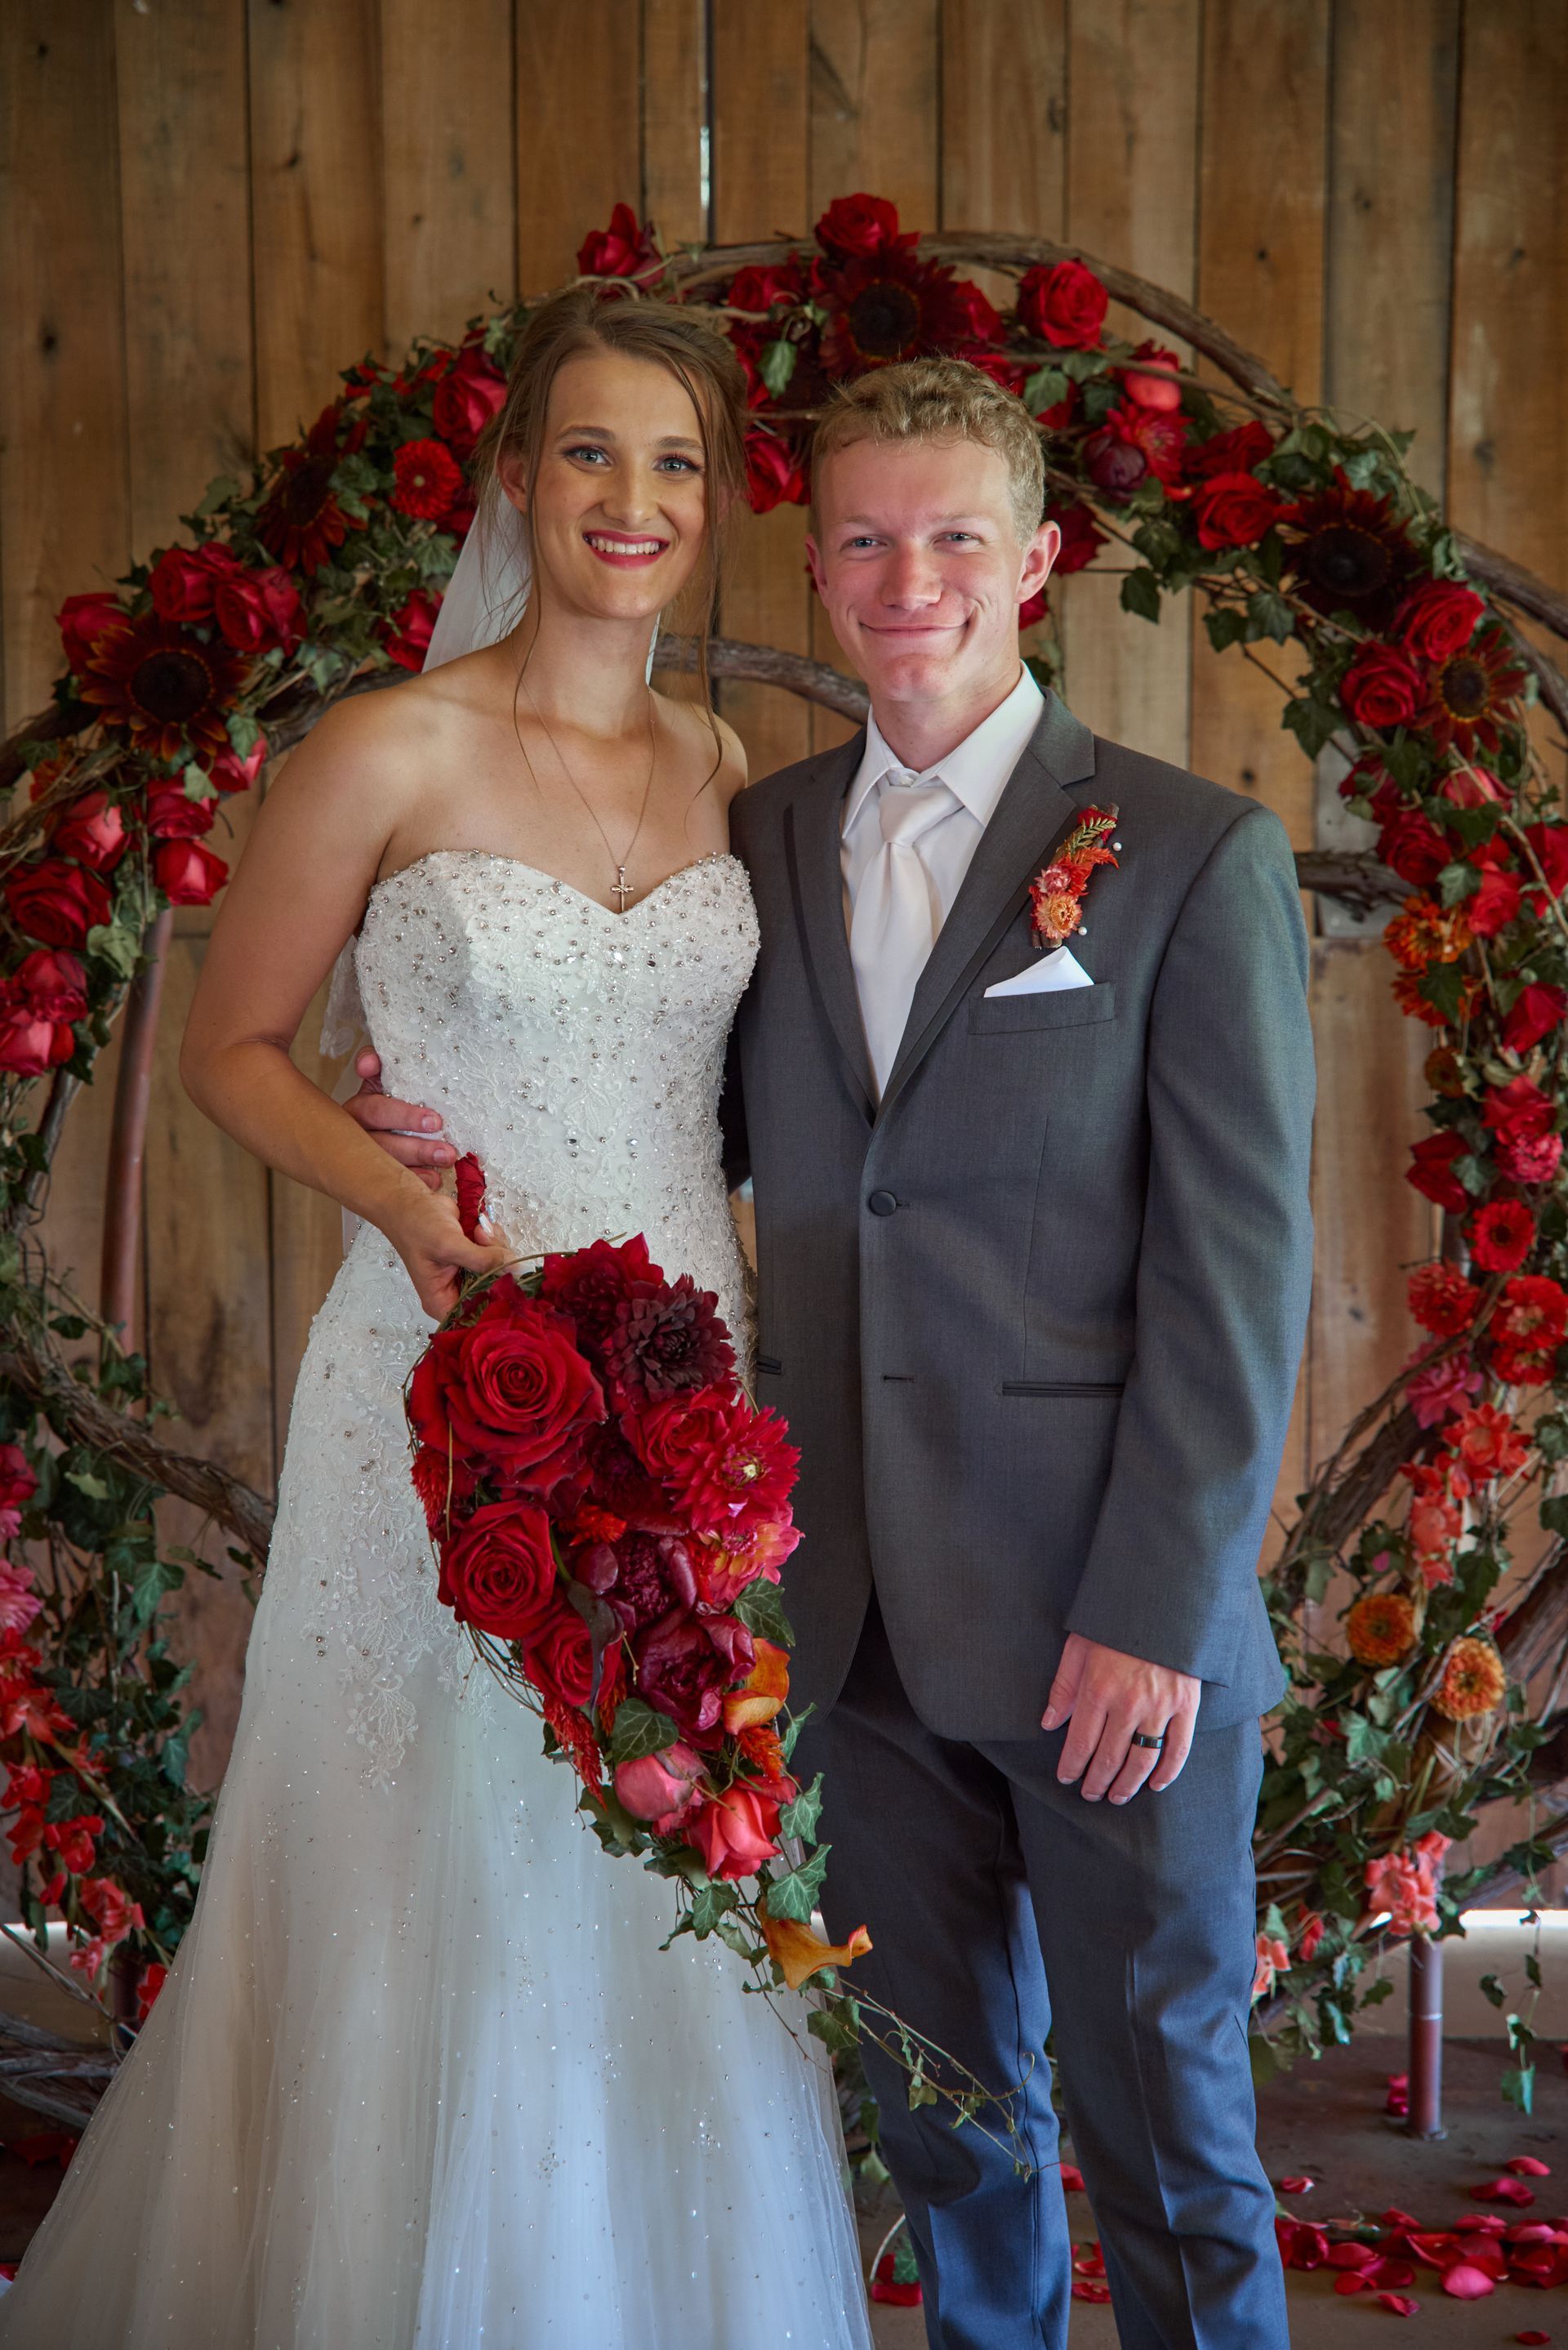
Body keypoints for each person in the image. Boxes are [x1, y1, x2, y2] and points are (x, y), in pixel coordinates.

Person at [354, 357, 1315, 2350]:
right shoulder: (767, 838)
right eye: (868, 538)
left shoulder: (1189, 857)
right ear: (816, 562)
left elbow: (1240, 1280)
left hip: (1106, 1629)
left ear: (1038, 560)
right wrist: (434, 1111)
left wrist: (1158, 1606)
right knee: (949, 2131)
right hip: (853, 1614)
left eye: (957, 536)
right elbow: (679, 1131)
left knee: (1170, 2135)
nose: (910, 579)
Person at [0, 291, 873, 2350]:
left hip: (678, 1396)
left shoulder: (723, 760)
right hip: (439, 1373)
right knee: (442, 1844)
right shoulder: (388, 741)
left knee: (653, 1833)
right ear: (516, 482)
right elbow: (235, 1046)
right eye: (589, 453)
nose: (630, 500)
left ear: (712, 503)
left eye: (672, 463)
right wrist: (402, 1199)